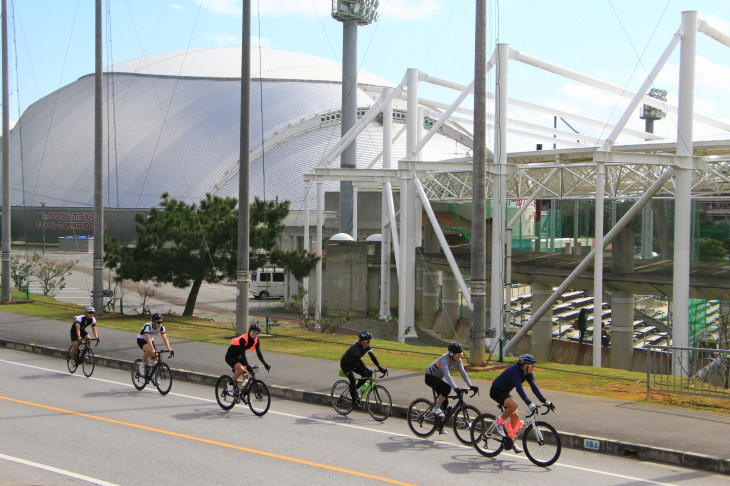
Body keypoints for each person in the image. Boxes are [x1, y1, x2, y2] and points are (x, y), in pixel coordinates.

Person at [489, 353, 553, 453]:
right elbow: (519, 389)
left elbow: (534, 387)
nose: (533, 368)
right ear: (524, 365)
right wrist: (529, 403)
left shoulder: (526, 372)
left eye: (534, 366)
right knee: (514, 405)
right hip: (496, 391)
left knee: (515, 417)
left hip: (505, 392)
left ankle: (511, 441)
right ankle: (499, 422)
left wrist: (545, 401)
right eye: (531, 366)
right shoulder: (515, 371)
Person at [424, 342, 478, 425]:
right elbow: (447, 375)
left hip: (437, 378)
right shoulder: (444, 360)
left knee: (445, 402)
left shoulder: (458, 361)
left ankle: (439, 425)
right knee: (447, 388)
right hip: (430, 377)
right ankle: (436, 408)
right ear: (451, 353)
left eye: (460, 354)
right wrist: (455, 388)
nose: (459, 356)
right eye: (457, 355)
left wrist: (471, 385)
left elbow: (463, 373)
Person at [339, 331, 387, 408]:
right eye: (367, 341)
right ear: (361, 341)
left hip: (354, 363)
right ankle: (354, 402)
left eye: (369, 341)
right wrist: (366, 368)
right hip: (346, 364)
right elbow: (358, 359)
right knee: (352, 380)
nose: (368, 342)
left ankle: (354, 390)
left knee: (366, 374)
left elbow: (372, 357)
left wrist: (380, 367)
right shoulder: (355, 347)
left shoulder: (367, 346)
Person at [225, 323, 271, 396]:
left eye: (257, 333)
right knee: (241, 369)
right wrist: (247, 365)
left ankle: (244, 392)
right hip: (230, 356)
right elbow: (243, 354)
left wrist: (265, 364)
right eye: (253, 332)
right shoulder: (243, 339)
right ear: (249, 331)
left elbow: (258, 353)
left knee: (246, 374)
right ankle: (230, 384)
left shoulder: (256, 340)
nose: (254, 334)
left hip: (239, 357)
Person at [136, 313, 174, 381]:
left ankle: (153, 375)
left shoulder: (161, 327)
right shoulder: (147, 326)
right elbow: (147, 338)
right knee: (148, 350)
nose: (160, 324)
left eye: (161, 322)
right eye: (158, 322)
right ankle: (141, 366)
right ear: (153, 322)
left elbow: (164, 338)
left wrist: (169, 348)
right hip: (141, 339)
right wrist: (152, 349)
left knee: (156, 357)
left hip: (150, 340)